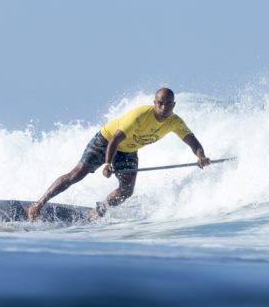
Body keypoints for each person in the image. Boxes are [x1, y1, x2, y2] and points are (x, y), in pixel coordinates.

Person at [27, 88, 211, 220]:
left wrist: (200, 156)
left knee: (126, 190)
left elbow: (192, 141)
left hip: (128, 151)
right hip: (106, 140)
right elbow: (115, 139)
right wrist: (107, 164)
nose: (164, 108)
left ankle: (98, 210)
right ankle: (39, 204)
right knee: (77, 174)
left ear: (174, 104)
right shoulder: (140, 115)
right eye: (160, 104)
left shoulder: (174, 122)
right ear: (154, 103)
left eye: (168, 104)